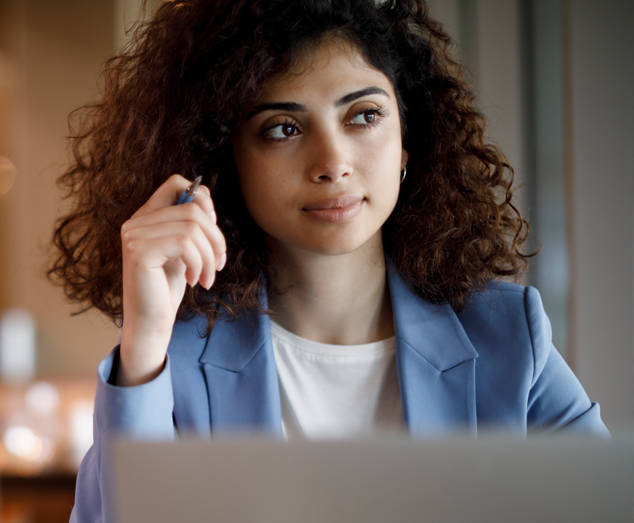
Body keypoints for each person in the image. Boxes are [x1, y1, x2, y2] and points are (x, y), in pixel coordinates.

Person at [49, 0, 609, 521]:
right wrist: (144, 341)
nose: (333, 162)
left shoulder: (510, 337)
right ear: (223, 159)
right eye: (283, 129)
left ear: (407, 139)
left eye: (363, 116)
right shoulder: (173, 361)